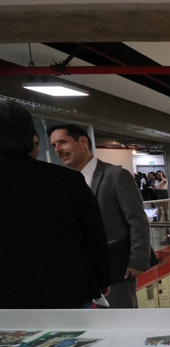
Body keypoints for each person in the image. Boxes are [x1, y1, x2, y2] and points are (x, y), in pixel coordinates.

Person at [1, 101, 110, 309]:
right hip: (66, 290)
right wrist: (101, 280)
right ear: (33, 138)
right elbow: (94, 236)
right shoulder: (66, 180)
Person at [49, 123, 150, 308]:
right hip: (84, 270)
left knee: (120, 318)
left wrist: (137, 261)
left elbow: (137, 220)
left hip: (117, 267)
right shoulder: (67, 182)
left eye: (62, 142)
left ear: (83, 142)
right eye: (54, 146)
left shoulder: (116, 176)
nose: (58, 150)